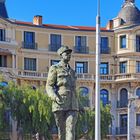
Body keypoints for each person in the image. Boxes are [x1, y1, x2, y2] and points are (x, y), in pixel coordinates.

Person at [46, 46, 78, 140]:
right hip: (60, 102)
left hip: (73, 103)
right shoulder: (55, 68)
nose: (69, 55)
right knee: (62, 130)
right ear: (61, 55)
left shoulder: (72, 71)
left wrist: (79, 105)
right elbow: (49, 86)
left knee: (71, 128)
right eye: (66, 53)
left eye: (70, 54)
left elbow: (74, 89)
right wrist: (53, 96)